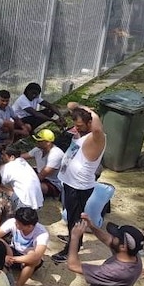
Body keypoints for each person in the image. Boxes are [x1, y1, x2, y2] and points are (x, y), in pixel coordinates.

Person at [52, 103, 106, 264]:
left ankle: (71, 249)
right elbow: (70, 105)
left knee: (75, 219)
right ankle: (74, 238)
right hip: (70, 183)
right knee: (71, 216)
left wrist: (92, 111)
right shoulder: (84, 132)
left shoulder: (97, 137)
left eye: (80, 125)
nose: (76, 128)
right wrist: (82, 109)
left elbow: (97, 128)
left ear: (90, 122)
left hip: (79, 187)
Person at [0, 207, 48, 286]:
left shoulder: (42, 233)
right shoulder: (13, 222)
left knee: (32, 259)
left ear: (29, 226)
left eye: (18, 224)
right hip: (13, 250)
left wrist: (12, 259)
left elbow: (36, 257)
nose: (16, 224)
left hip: (27, 258)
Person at [22, 129, 64, 198]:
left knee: (34, 187)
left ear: (48, 142)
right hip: (40, 175)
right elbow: (23, 156)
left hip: (54, 183)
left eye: (40, 141)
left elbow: (42, 175)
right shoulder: (38, 149)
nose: (37, 142)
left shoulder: (56, 154)